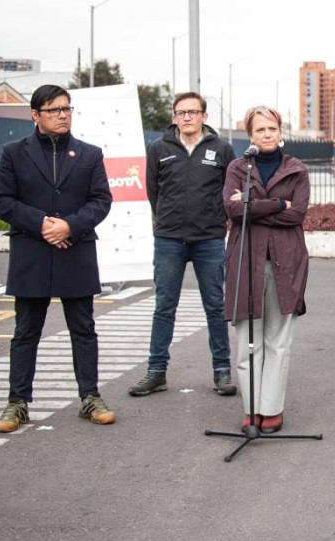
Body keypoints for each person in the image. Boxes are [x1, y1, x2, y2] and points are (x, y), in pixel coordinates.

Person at [0, 85, 115, 432]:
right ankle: (17, 402)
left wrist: (70, 226)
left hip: (76, 250)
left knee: (83, 328)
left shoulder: (89, 154)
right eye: (54, 110)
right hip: (32, 250)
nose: (63, 115)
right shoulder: (14, 152)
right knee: (26, 330)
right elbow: (1, 201)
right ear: (35, 115)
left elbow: (101, 200)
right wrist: (43, 224)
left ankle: (90, 396)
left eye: (67, 109)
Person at [129, 92, 237, 398]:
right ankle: (156, 372)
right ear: (174, 117)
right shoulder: (158, 148)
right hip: (169, 239)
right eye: (181, 112)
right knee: (164, 307)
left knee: (216, 307)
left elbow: (228, 192)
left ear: (204, 116)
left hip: (209, 239)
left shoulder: (222, 149)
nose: (186, 117)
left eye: (193, 112)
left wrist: (216, 222)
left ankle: (222, 371)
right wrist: (167, 219)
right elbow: (154, 192)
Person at [223, 106, 310, 434]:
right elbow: (232, 209)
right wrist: (277, 204)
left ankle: (271, 409)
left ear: (280, 131)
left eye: (271, 128)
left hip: (286, 263)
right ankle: (252, 408)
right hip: (245, 261)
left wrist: (252, 208)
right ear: (250, 135)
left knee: (277, 340)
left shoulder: (296, 170)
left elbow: (298, 215)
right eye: (260, 130)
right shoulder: (237, 167)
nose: (267, 134)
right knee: (247, 339)